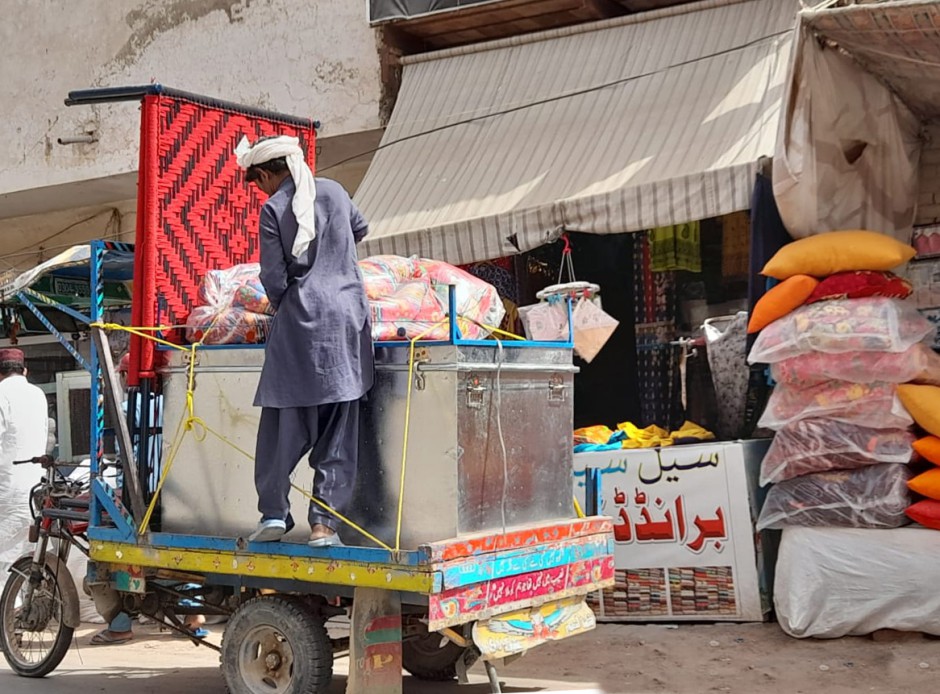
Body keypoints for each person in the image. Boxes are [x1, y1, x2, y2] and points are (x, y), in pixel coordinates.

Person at [235, 135, 373, 547]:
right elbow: (361, 229)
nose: (258, 189)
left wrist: (293, 297)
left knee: (281, 430)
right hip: (347, 325)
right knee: (338, 433)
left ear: (264, 174)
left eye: (256, 181)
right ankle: (324, 527)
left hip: (299, 328)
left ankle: (275, 515)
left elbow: (274, 279)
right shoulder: (333, 191)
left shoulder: (272, 208)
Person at [91, 353, 206, 645]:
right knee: (183, 556)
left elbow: (123, 461)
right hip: (177, 494)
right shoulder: (176, 405)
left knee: (114, 559)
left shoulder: (128, 408)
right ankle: (193, 617)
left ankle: (120, 624)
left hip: (142, 494)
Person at [0, 348, 49, 593]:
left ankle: (5, 621)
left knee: (3, 561)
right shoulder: (38, 394)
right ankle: (19, 615)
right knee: (27, 556)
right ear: (25, 371)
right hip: (36, 489)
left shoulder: (1, 395)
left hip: (7, 490)